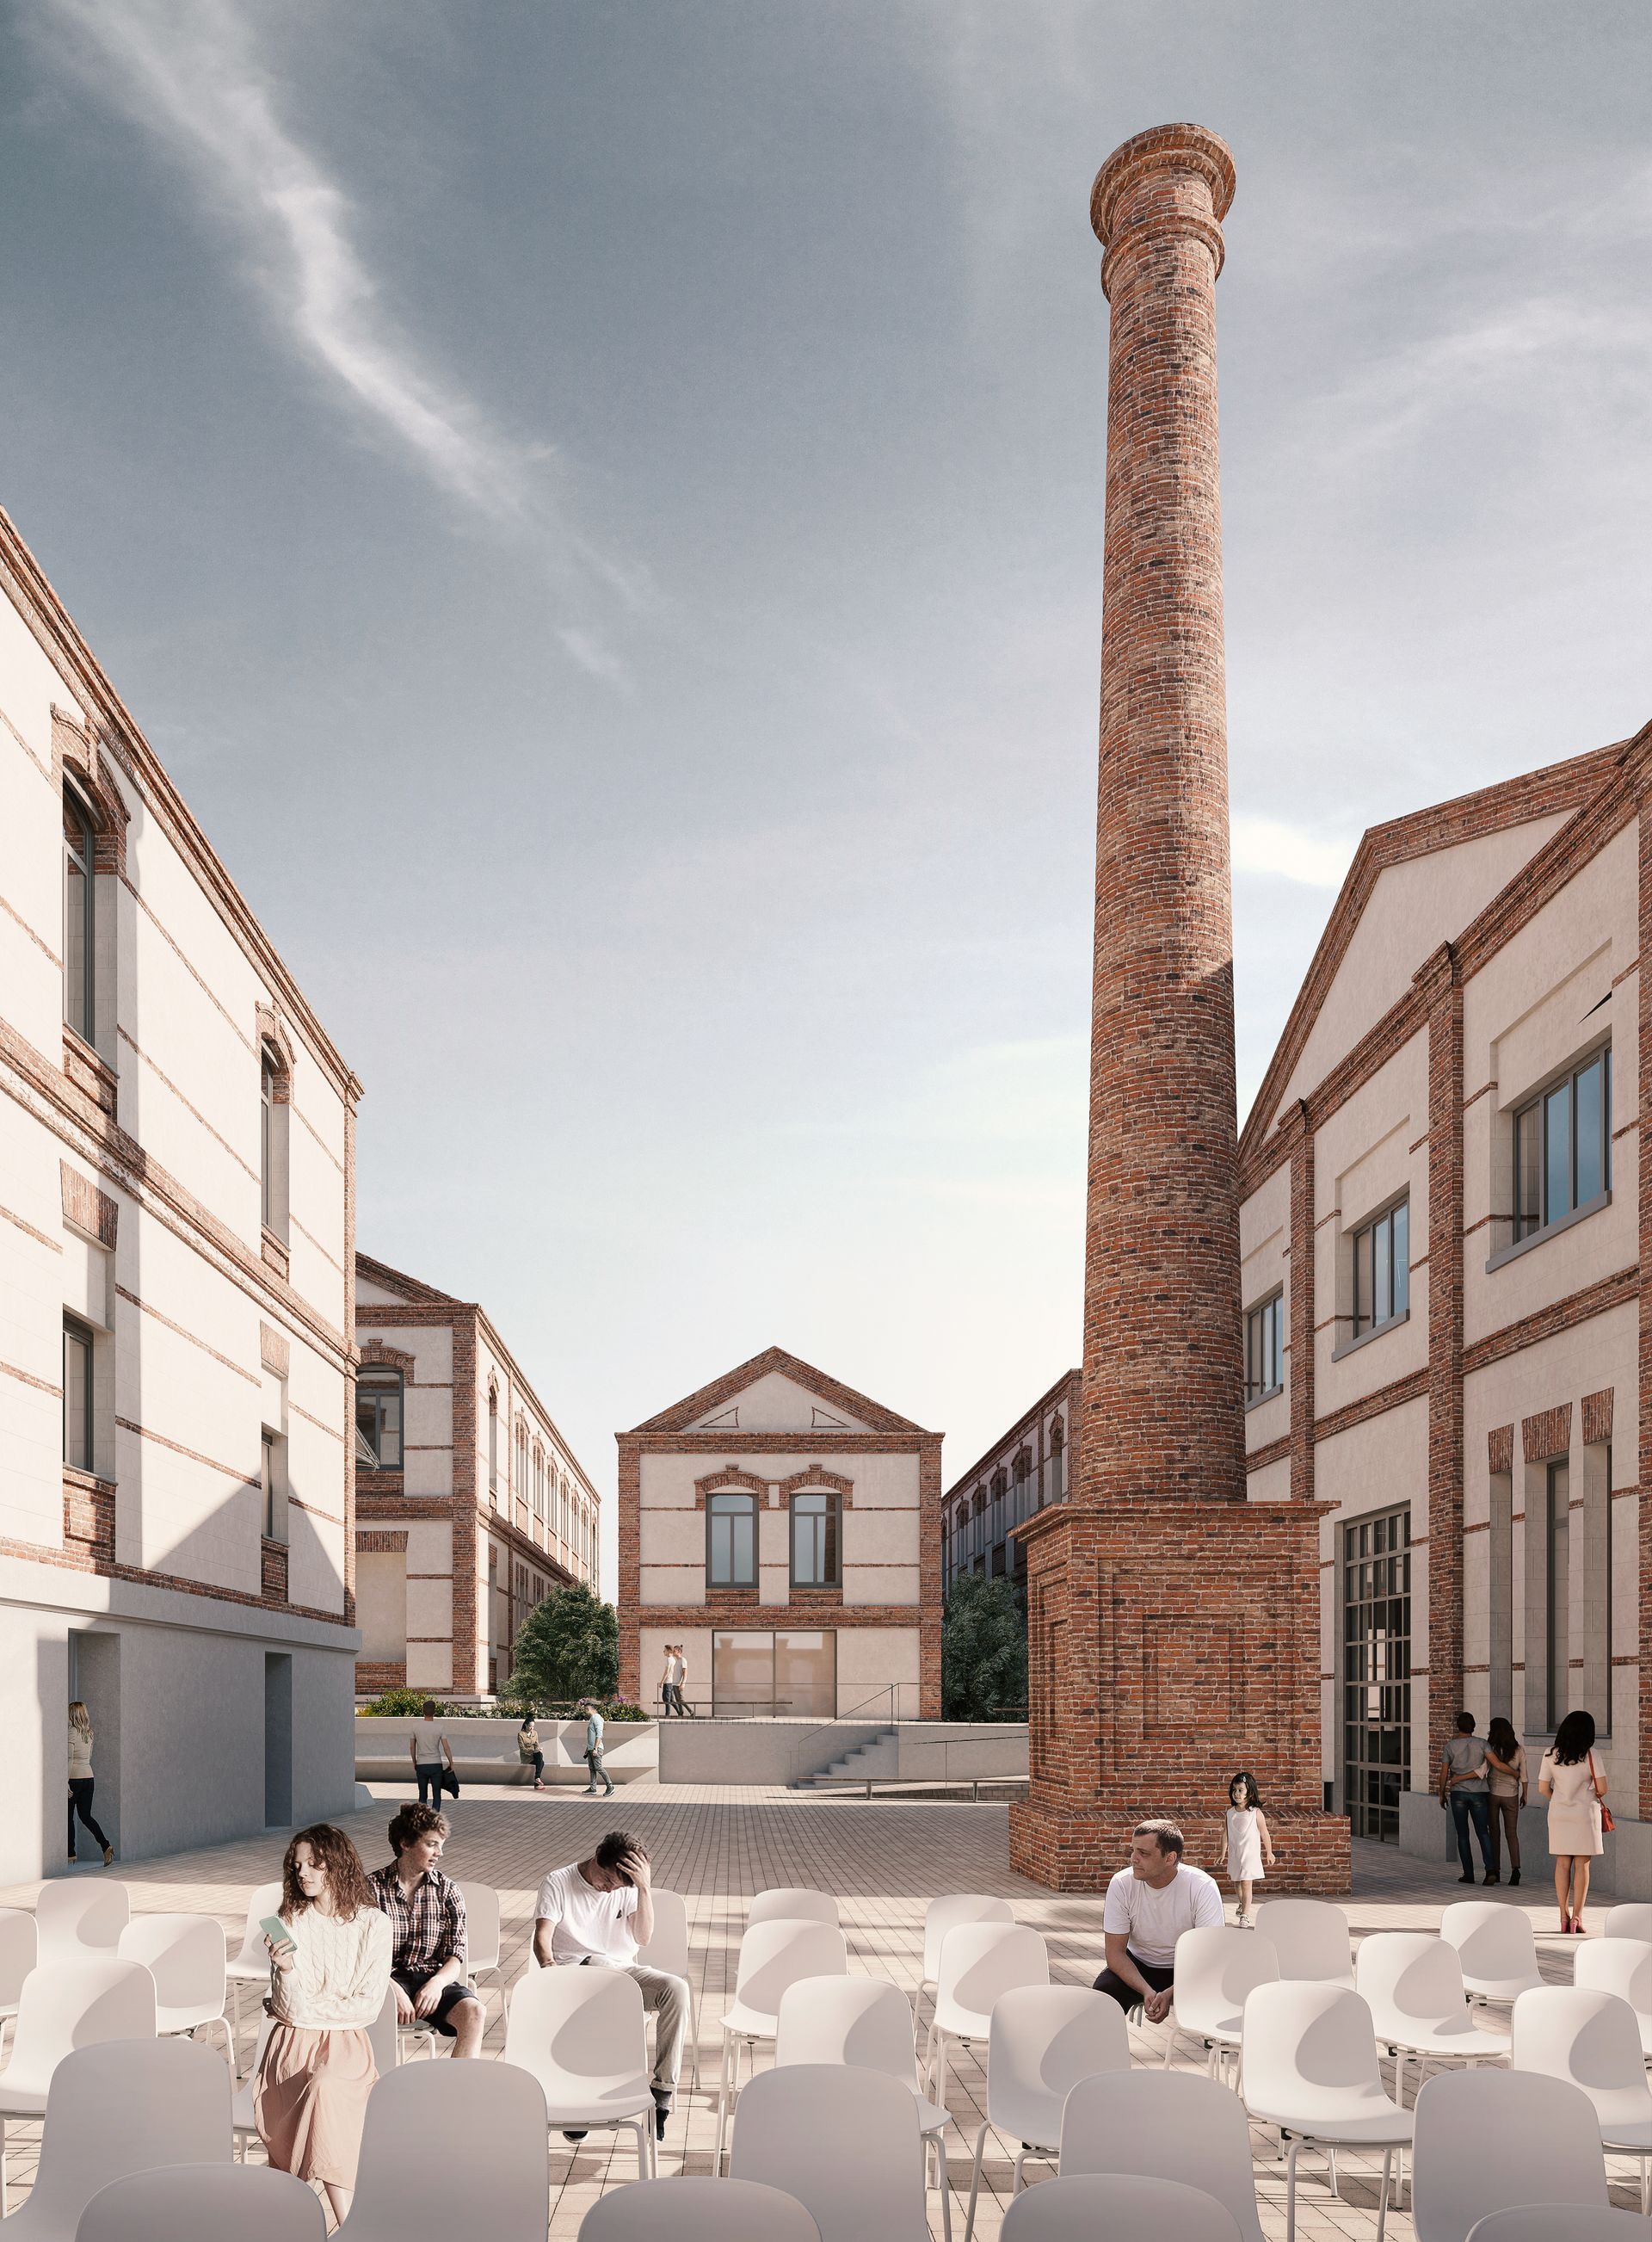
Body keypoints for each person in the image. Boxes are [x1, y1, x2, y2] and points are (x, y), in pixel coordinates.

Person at [255, 1822, 391, 2228]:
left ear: (338, 1864)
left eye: (314, 1864)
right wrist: (286, 1972)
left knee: (327, 2086)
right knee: (320, 2092)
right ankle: (351, 2226)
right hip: (291, 2048)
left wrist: (304, 2006)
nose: (303, 1874)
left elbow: (367, 2008)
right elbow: (288, 2006)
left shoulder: (373, 1924)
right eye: (297, 1866)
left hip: (346, 2047)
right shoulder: (289, 1920)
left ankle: (330, 2221)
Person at [533, 1829, 687, 2141]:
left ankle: (661, 2094)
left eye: (616, 1886)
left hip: (623, 1974)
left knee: (677, 1989)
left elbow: (642, 1938)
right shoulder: (558, 1882)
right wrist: (550, 1970)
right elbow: (542, 1937)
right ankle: (586, 2093)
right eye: (606, 1880)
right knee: (601, 1963)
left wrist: (643, 1888)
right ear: (596, 1858)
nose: (608, 1890)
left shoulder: (627, 1887)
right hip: (576, 1975)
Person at [368, 1803, 484, 2056]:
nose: (439, 1853)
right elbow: (358, 1955)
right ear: (405, 1843)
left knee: (474, 2012)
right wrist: (390, 1987)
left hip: (431, 1979)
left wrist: (437, 1984)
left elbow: (455, 1956)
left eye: (441, 1844)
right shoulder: (371, 1889)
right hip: (381, 1980)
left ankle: (457, 2091)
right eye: (431, 1844)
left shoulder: (448, 1890)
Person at [1093, 1820, 1224, 2019]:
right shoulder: (1121, 1884)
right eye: (1133, 1850)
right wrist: (1147, 1991)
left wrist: (1170, 1993)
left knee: (1219, 1997)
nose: (1134, 1859)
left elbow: (1210, 1958)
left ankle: (1219, 2049)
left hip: (1190, 1968)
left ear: (1170, 1858)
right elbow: (1115, 1953)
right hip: (1140, 1967)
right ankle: (1106, 2050)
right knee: (1103, 1996)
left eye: (1143, 1853)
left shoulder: (1202, 1886)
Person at [1539, 1709, 1608, 1933]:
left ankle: (1562, 1915)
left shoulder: (1550, 1754)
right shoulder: (1591, 1755)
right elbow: (1603, 1789)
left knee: (1562, 1863)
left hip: (1559, 1813)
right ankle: (1577, 1917)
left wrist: (1559, 1799)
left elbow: (1542, 1788)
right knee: (1582, 1864)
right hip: (1585, 1813)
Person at [1438, 1711, 1494, 1884]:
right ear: (1474, 1726)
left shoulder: (1450, 1746)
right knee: (1483, 1832)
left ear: (1458, 1727)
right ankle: (1490, 1869)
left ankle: (1468, 1874)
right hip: (1479, 1792)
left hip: (1459, 1792)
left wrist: (1441, 1793)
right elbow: (1493, 1763)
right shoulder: (1483, 1744)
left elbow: (1444, 1772)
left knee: (1463, 1834)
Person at [1217, 1771, 1273, 1926]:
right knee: (1237, 1882)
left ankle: (1245, 1915)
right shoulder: (1230, 1813)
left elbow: (1264, 1833)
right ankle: (1242, 1903)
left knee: (1246, 1883)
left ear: (1250, 1792)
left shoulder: (1255, 1813)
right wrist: (1222, 1852)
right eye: (1234, 1790)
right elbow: (1226, 1834)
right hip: (1235, 1854)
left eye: (1240, 1790)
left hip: (1250, 1855)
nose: (1236, 1793)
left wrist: (1269, 1852)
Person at [66, 1699, 114, 1866]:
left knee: (68, 1816)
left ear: (73, 1714)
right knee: (86, 1816)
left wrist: (65, 1781)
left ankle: (70, 1853)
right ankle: (105, 1845)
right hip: (89, 1778)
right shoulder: (89, 1733)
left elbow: (70, 1758)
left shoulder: (72, 1732)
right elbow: (89, 1756)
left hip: (74, 1778)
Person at [1484, 1716, 1527, 1887]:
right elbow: (1524, 1775)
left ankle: (1495, 1870)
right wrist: (1525, 1794)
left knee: (1494, 1832)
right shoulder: (1518, 1749)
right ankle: (1516, 1869)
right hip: (1511, 1794)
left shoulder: (1491, 1748)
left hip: (1492, 1793)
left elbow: (1484, 1770)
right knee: (1512, 1833)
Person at [409, 1702, 452, 1806]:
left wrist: (415, 1762)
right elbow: (446, 1748)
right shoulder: (439, 1727)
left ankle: (423, 1818)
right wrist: (451, 1762)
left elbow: (412, 1747)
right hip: (436, 1764)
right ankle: (434, 1818)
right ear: (434, 1712)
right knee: (437, 1794)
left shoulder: (415, 1727)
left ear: (423, 1711)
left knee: (422, 1795)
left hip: (421, 1764)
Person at [581, 1697, 614, 1795]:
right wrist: (588, 1749)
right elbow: (591, 1736)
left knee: (599, 1768)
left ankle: (610, 1786)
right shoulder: (592, 1719)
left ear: (589, 1708)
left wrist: (595, 1748)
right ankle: (593, 1788)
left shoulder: (597, 1718)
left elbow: (599, 1735)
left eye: (585, 1709)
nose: (585, 1711)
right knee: (592, 1768)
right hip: (591, 1749)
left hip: (597, 1748)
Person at [519, 1714, 546, 1788]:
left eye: (533, 1726)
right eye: (530, 1726)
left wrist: (539, 1749)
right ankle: (537, 1782)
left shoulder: (535, 1733)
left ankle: (537, 1779)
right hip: (526, 1757)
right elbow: (522, 1749)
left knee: (540, 1756)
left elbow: (537, 1744)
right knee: (541, 1762)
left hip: (535, 1755)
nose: (532, 1728)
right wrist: (533, 1751)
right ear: (526, 1725)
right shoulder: (521, 1734)